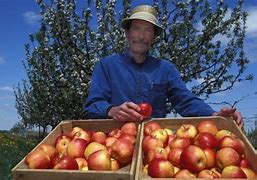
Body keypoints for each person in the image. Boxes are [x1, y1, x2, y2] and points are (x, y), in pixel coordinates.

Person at [84, 5, 243, 129]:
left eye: (148, 30)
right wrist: (111, 110)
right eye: (136, 29)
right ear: (127, 33)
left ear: (154, 36)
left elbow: (184, 100)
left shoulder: (165, 69)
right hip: (114, 139)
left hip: (154, 142)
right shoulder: (106, 66)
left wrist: (214, 114)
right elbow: (93, 104)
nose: (141, 36)